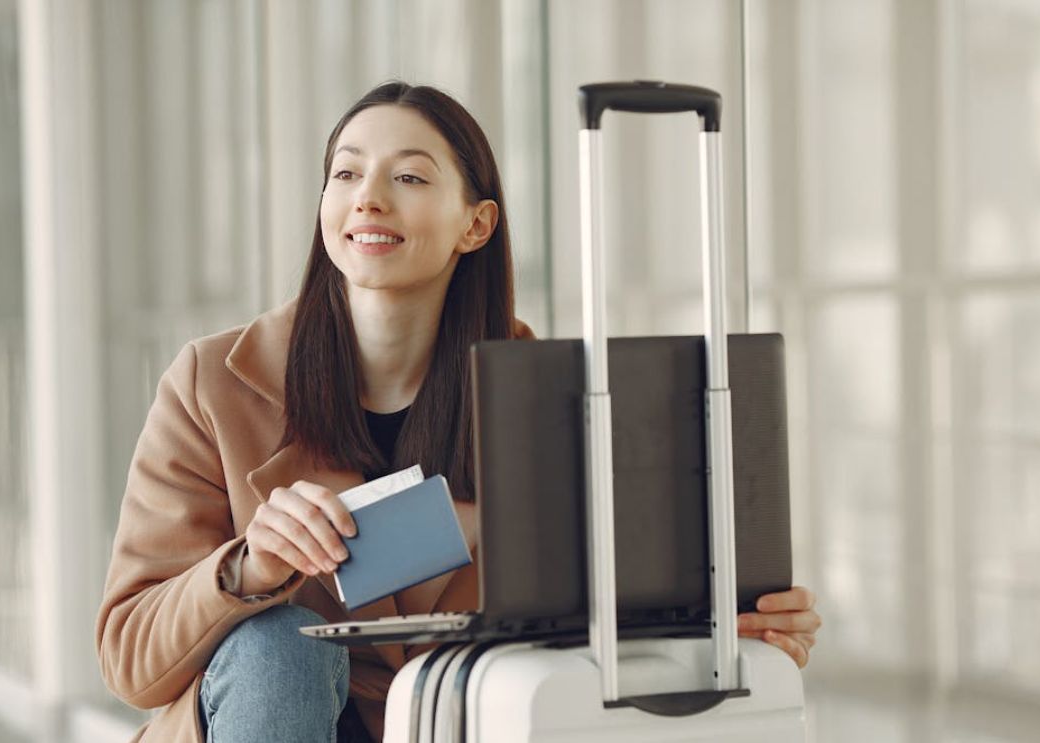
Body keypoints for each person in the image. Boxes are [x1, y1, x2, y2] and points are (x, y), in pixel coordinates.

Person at [95, 81, 821, 743]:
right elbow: (132, 662)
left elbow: (603, 612)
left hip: (451, 722)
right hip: (277, 717)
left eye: (407, 177)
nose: (367, 198)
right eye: (345, 173)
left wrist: (731, 622)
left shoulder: (556, 397)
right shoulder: (212, 383)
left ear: (474, 226)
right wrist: (247, 570)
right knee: (278, 643)